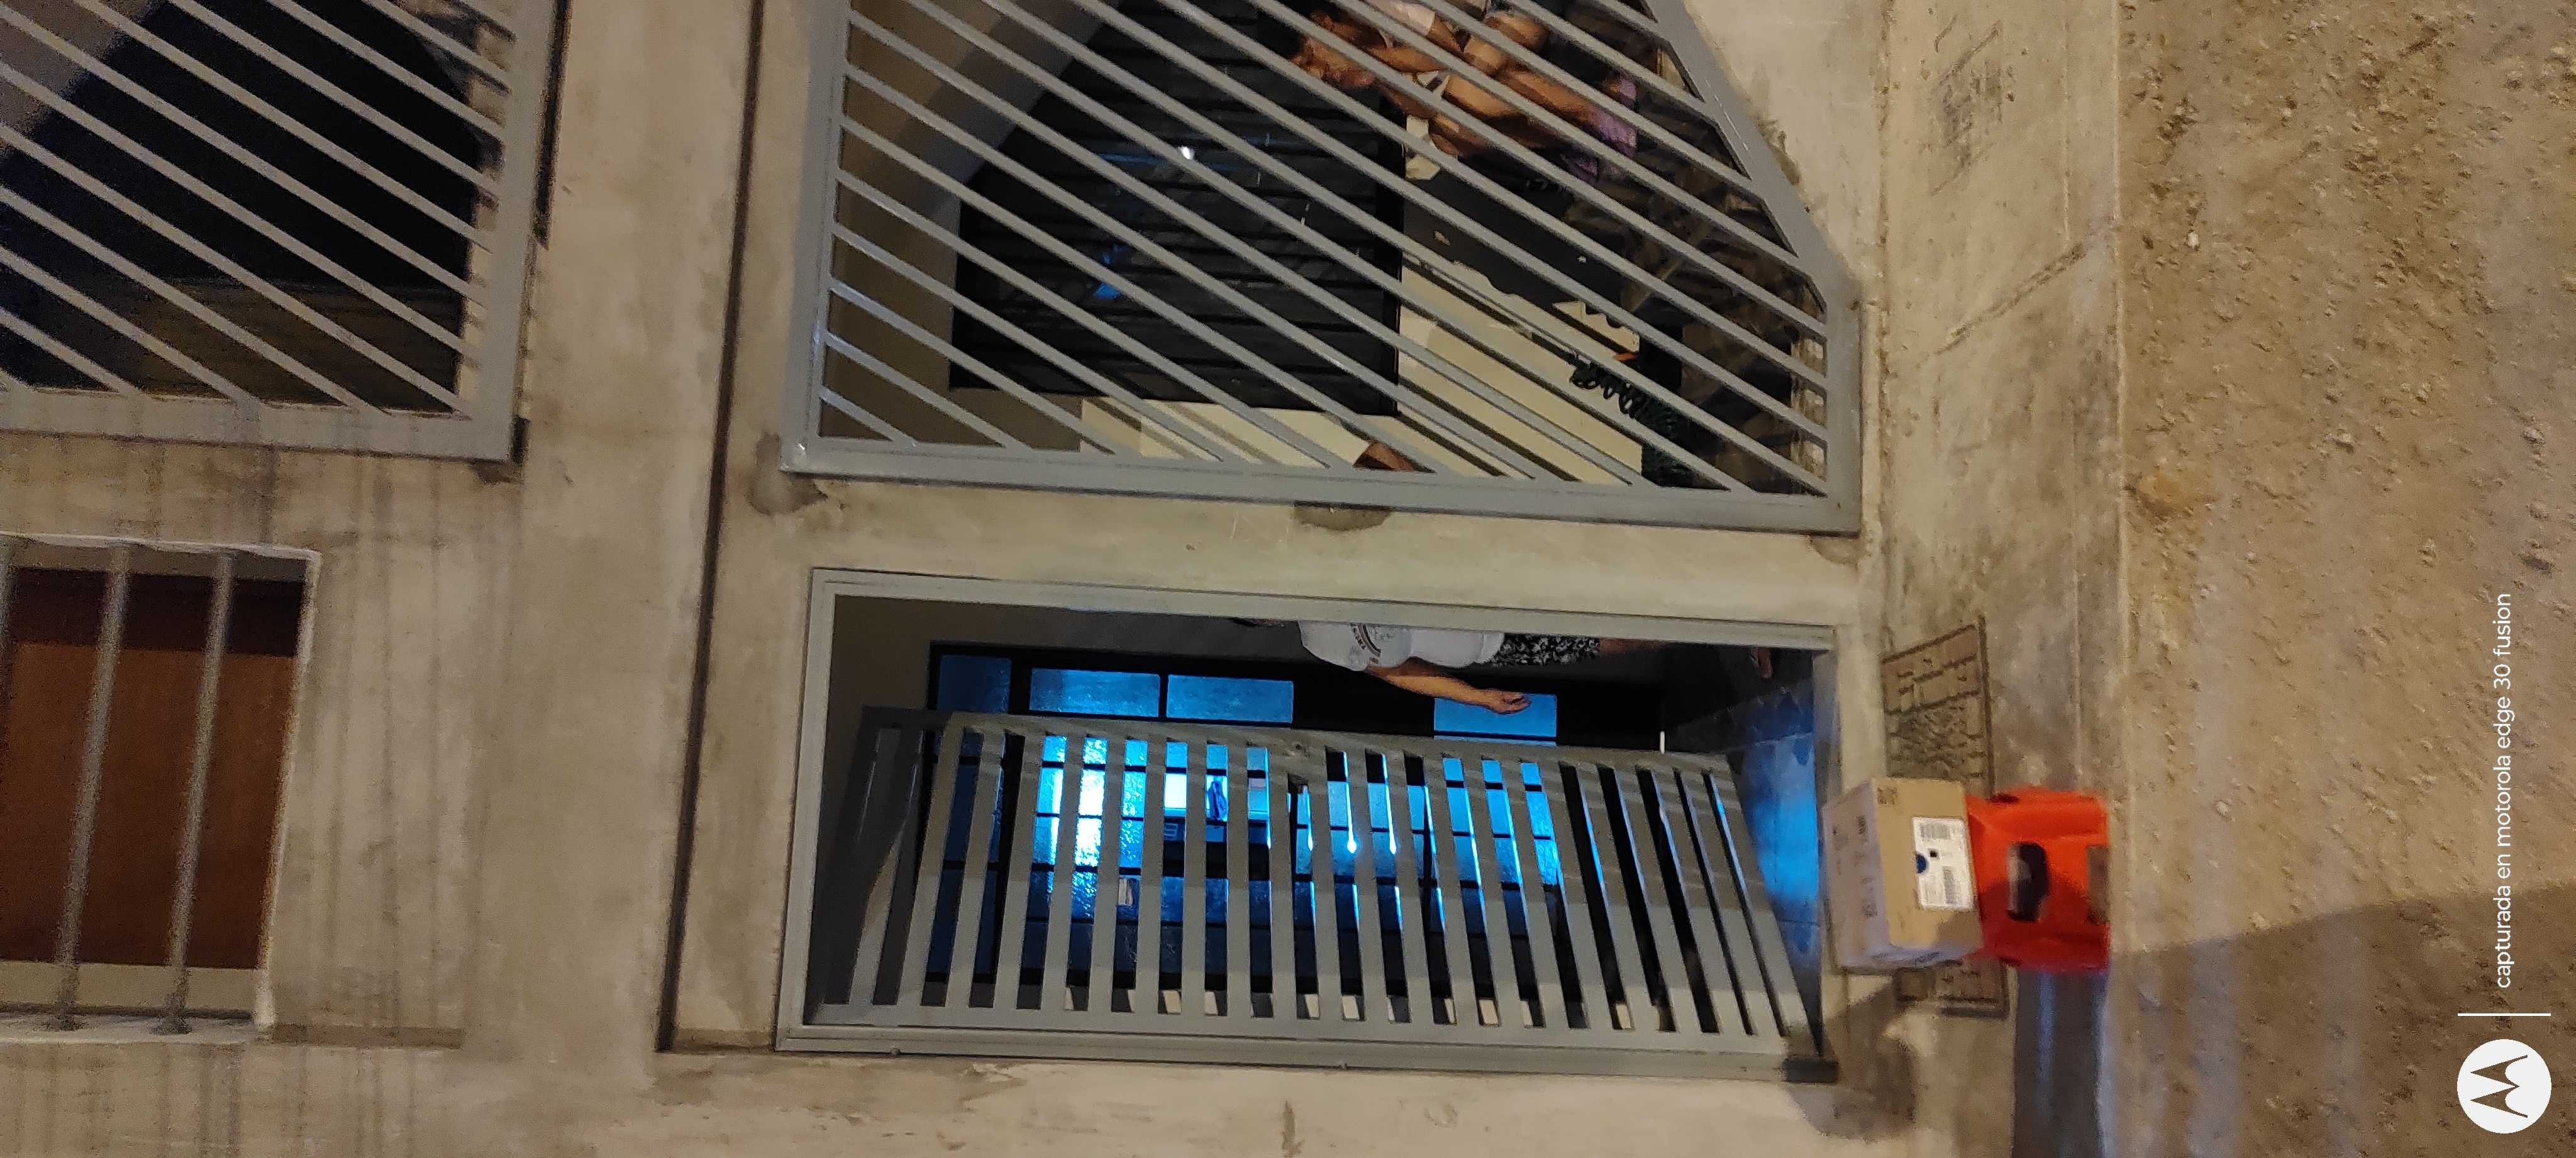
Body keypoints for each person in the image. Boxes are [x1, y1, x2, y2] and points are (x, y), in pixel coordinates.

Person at [1294, 620, 1654, 713]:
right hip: (1493, 646)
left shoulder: (1324, 566)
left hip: (1489, 587)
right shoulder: (1319, 643)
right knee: (1610, 640)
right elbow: (1399, 673)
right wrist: (1477, 697)